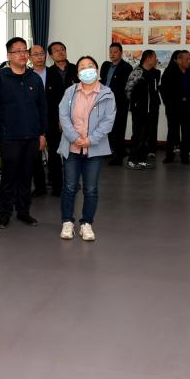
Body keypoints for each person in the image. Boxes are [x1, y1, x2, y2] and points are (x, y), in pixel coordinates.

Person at [58, 56, 115, 241]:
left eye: (90, 66)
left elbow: (108, 121)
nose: (86, 69)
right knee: (69, 187)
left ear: (97, 70)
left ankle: (86, 223)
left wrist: (90, 140)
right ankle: (67, 222)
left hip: (94, 149)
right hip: (72, 147)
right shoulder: (70, 91)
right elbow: (63, 116)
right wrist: (74, 138)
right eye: (82, 67)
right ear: (77, 73)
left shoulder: (107, 94)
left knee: (90, 189)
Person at [0, 37, 47, 227]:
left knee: (26, 175)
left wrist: (42, 134)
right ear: (9, 55)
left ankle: (24, 211)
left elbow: (42, 108)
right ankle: (5, 213)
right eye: (17, 51)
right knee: (9, 176)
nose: (23, 54)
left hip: (32, 136)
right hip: (10, 137)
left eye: (25, 50)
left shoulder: (34, 78)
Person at [46, 41, 78, 196]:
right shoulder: (48, 73)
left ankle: (72, 183)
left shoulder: (75, 69)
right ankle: (57, 185)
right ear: (51, 56)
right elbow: (49, 100)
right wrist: (60, 119)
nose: (60, 52)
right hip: (54, 120)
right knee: (54, 153)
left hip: (75, 120)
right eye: (56, 50)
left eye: (62, 49)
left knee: (73, 153)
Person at [125, 50, 161, 170]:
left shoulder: (155, 73)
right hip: (139, 111)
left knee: (147, 136)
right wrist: (135, 105)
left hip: (152, 111)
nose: (156, 60)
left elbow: (155, 91)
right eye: (155, 57)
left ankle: (141, 160)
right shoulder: (137, 72)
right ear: (148, 58)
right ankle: (132, 160)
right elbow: (128, 90)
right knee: (138, 135)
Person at [160, 50, 190, 165]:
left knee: (187, 132)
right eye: (187, 59)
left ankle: (185, 156)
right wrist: (168, 103)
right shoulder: (169, 72)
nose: (189, 61)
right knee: (172, 131)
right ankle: (169, 156)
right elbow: (163, 89)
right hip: (173, 107)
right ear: (179, 60)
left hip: (188, 107)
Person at [100, 42, 132, 166]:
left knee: (118, 130)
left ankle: (118, 157)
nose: (112, 54)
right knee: (107, 129)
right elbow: (104, 81)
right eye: (111, 52)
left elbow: (125, 87)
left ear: (121, 53)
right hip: (105, 102)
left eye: (115, 52)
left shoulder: (126, 67)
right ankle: (110, 151)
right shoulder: (106, 66)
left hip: (119, 103)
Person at [28, 44, 50, 196]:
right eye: (36, 54)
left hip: (53, 119)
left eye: (42, 53)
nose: (40, 57)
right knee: (35, 156)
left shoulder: (53, 73)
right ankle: (40, 186)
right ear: (30, 57)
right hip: (34, 121)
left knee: (55, 154)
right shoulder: (27, 75)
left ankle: (57, 184)